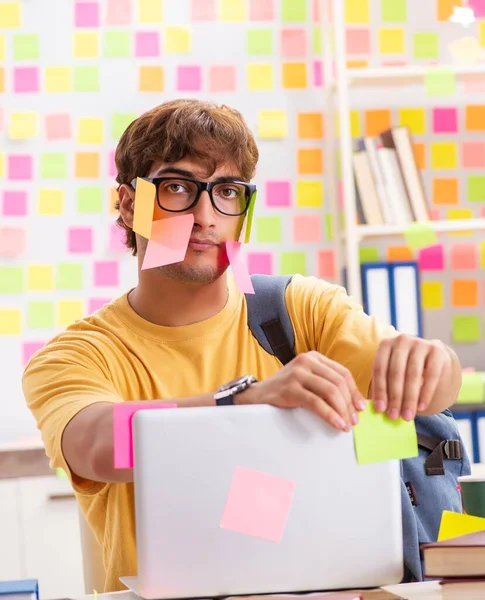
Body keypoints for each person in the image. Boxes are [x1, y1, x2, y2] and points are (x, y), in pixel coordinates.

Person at [23, 99, 462, 592]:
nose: (205, 216)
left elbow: (432, 393)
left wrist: (436, 362)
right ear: (128, 205)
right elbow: (98, 446)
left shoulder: (300, 310)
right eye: (177, 188)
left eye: (227, 192)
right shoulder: (79, 353)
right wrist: (240, 402)